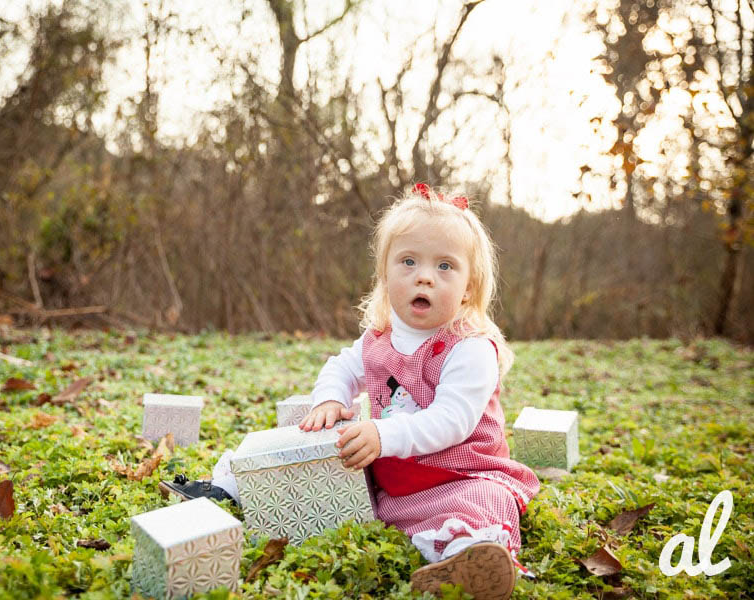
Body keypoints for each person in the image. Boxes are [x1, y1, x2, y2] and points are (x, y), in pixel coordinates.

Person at [161, 185, 539, 600]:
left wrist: (383, 435)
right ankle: (231, 487)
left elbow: (453, 420)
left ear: (469, 287)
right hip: (389, 476)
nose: (425, 276)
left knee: (482, 501)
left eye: (446, 266)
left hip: (457, 475)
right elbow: (340, 367)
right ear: (385, 276)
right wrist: (331, 399)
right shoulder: (379, 338)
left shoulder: (469, 348)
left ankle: (468, 557)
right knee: (316, 452)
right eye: (408, 262)